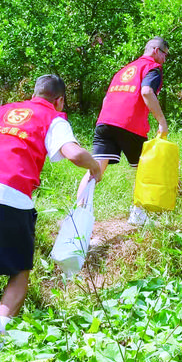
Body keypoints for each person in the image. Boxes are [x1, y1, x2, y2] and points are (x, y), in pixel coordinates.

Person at [0, 74, 102, 354]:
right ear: (60, 99)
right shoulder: (53, 118)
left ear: (33, 93)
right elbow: (74, 154)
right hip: (9, 194)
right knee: (19, 273)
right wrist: (94, 168)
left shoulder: (2, 110)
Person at [77, 37, 169, 226]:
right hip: (130, 125)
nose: (165, 59)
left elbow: (106, 98)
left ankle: (77, 213)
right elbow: (146, 92)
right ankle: (138, 215)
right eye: (165, 54)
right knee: (143, 171)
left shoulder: (124, 69)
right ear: (156, 50)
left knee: (95, 169)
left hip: (105, 121)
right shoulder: (153, 68)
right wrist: (162, 121)